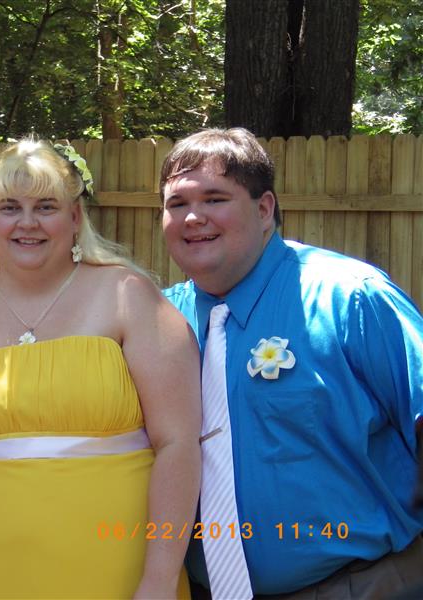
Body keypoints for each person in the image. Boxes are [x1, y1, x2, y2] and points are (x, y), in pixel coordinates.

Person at [0, 139, 202, 599]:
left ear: (75, 217)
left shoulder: (128, 297)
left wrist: (160, 577)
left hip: (112, 563)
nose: (27, 222)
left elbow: (179, 443)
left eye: (45, 206)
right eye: (10, 207)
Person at [160, 127, 423, 599]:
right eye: (176, 204)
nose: (193, 217)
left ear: (265, 209)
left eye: (215, 198)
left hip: (361, 585)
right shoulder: (159, 322)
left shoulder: (351, 299)